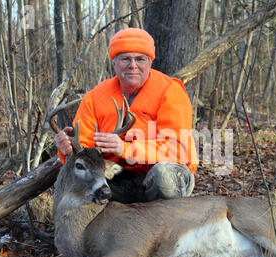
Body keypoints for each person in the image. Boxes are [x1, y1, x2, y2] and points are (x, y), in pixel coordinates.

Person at [54, 28, 198, 203]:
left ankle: (167, 229)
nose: (133, 65)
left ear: (150, 62)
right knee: (78, 179)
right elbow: (83, 148)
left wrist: (126, 149)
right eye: (125, 59)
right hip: (117, 175)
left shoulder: (170, 91)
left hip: (163, 175)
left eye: (140, 59)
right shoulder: (95, 97)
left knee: (164, 177)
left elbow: (178, 149)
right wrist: (67, 149)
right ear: (113, 62)